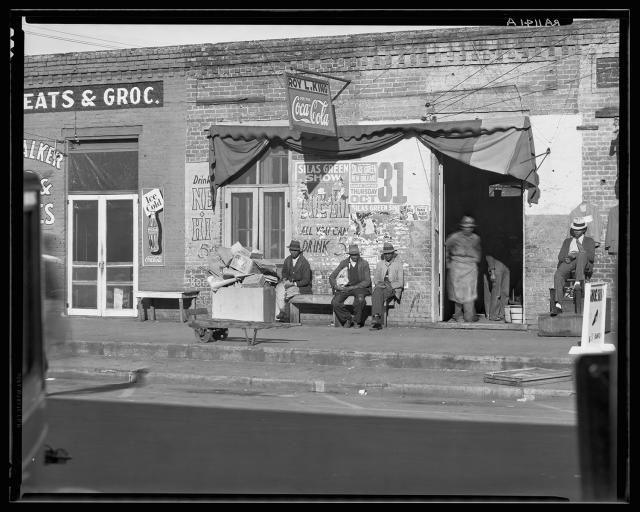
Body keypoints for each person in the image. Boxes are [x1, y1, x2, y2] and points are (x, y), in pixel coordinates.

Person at [551, 219, 596, 316]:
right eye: (575, 229)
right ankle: (558, 305)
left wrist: (578, 254)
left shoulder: (589, 240)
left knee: (581, 254)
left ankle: (577, 282)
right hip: (570, 261)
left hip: (584, 262)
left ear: (584, 230)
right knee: (558, 275)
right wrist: (565, 258)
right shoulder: (567, 241)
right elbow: (560, 256)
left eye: (579, 230)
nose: (576, 231)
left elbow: (591, 257)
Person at [445, 216, 481, 323]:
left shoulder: (476, 238)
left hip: (471, 267)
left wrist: (476, 260)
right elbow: (446, 250)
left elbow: (478, 251)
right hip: (457, 266)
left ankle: (469, 316)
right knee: (458, 292)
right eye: (466, 227)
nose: (468, 229)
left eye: (471, 227)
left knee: (470, 291)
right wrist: (448, 263)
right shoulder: (453, 238)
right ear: (462, 227)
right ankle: (458, 315)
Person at [329, 244, 372, 328]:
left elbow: (367, 281)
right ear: (350, 255)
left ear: (359, 254)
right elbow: (332, 276)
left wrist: (353, 287)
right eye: (353, 255)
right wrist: (336, 286)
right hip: (346, 287)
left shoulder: (364, 263)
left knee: (360, 299)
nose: (355, 256)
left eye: (356, 254)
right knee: (335, 302)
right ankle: (348, 318)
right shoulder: (344, 263)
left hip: (360, 287)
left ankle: (357, 321)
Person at [369, 243, 404, 331]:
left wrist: (389, 285)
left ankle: (376, 319)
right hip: (381, 287)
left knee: (376, 294)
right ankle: (377, 318)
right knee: (377, 291)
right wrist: (379, 284)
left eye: (389, 253)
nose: (387, 255)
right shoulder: (380, 264)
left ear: (393, 254)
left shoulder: (398, 265)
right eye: (385, 254)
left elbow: (400, 283)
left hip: (392, 289)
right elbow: (376, 279)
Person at [275, 240, 312, 321]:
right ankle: (282, 312)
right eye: (291, 250)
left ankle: (284, 313)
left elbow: (306, 280)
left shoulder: (304, 263)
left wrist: (294, 284)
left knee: (286, 292)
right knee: (278, 288)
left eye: (295, 250)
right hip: (288, 283)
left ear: (299, 251)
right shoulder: (287, 260)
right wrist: (284, 278)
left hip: (300, 287)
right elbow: (284, 271)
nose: (293, 252)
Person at [483, 225, 511, 322]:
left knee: (505, 293)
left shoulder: (505, 241)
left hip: (506, 268)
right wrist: (492, 272)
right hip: (497, 267)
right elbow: (489, 257)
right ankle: (493, 315)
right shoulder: (494, 240)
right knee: (496, 293)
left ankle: (502, 314)